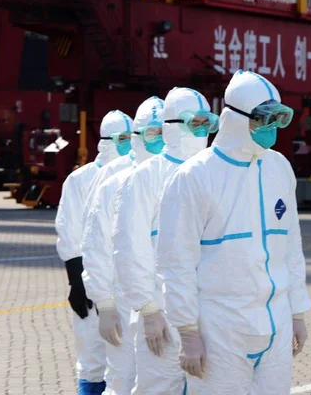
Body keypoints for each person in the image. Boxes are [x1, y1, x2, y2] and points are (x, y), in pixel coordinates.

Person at [156, 70, 311, 394]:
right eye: (263, 120)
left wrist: (297, 311)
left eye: (276, 120)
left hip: (275, 324)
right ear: (236, 119)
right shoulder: (195, 177)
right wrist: (187, 331)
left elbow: (291, 247)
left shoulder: (279, 167)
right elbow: (176, 262)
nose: (270, 130)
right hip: (221, 329)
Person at [113, 87, 215, 394]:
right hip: (164, 317)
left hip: (214, 315)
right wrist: (148, 309)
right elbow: (129, 247)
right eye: (193, 123)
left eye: (205, 123)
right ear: (172, 125)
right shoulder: (144, 177)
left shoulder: (216, 171)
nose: (200, 131)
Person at [81, 97, 164, 395]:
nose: (159, 141)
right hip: (123, 297)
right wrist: (104, 304)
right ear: (137, 135)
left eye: (163, 132)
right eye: (152, 133)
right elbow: (96, 244)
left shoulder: (178, 173)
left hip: (164, 300)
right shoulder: (114, 178)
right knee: (122, 379)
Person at [54, 110, 131, 395]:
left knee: (126, 360)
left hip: (125, 286)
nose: (127, 144)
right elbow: (69, 232)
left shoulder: (139, 173)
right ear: (105, 141)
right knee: (92, 359)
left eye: (129, 138)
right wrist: (77, 283)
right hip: (90, 283)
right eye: (121, 139)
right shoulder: (81, 180)